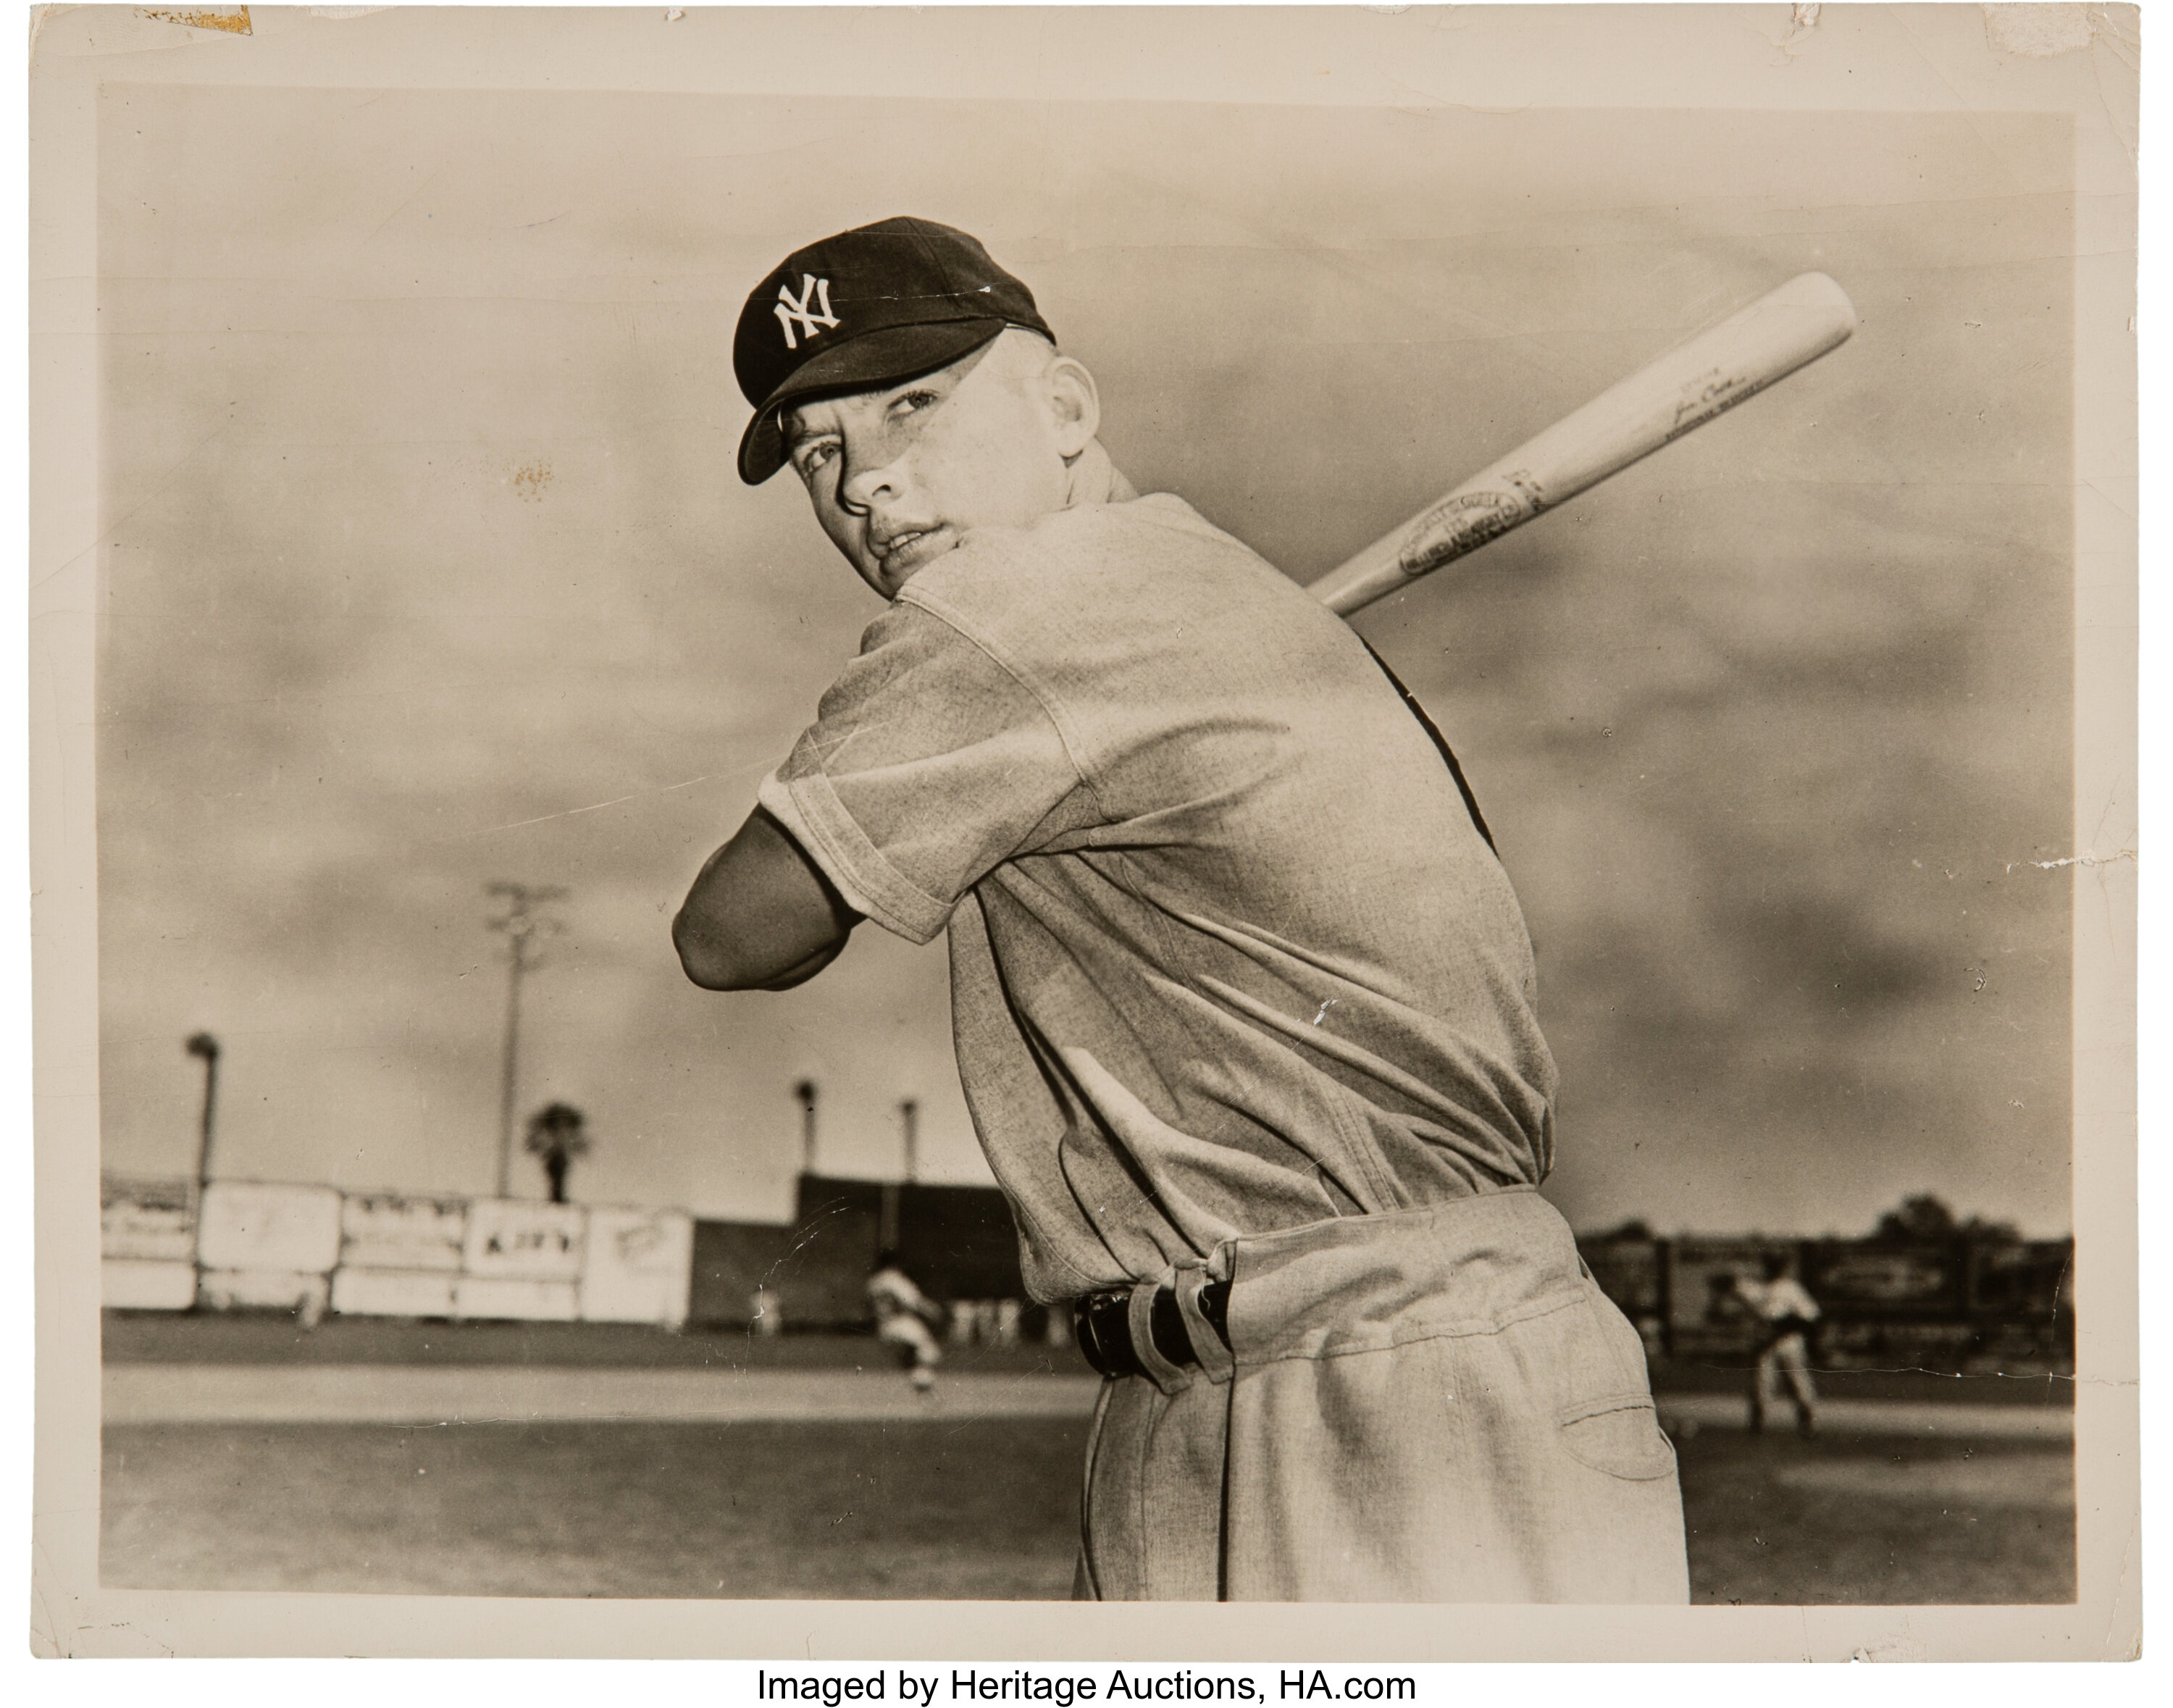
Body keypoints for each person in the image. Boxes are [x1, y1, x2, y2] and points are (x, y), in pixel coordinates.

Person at [674, 216, 1689, 1602]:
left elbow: (731, 934)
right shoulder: (1219, 597)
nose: (868, 482)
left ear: (1067, 407)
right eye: (820, 452)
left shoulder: (1018, 610)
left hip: (1367, 1380)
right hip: (1350, 1361)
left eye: (914, 401)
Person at [1736, 1252, 1821, 1436]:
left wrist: (1780, 1328)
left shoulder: (1791, 1288)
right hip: (1765, 1344)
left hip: (1788, 1341)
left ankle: (1807, 1423)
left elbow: (1810, 1316)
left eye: (1775, 1265)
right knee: (1761, 1384)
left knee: (1798, 1383)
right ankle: (1758, 1424)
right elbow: (1730, 1284)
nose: (1772, 1268)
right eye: (1770, 1264)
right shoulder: (1759, 1288)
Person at [866, 1250, 944, 1392]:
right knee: (930, 1352)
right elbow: (913, 1301)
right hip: (902, 1324)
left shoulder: (873, 1282)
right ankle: (923, 1384)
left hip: (884, 1327)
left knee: (910, 1358)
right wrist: (932, 1310)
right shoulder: (894, 1278)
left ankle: (920, 1384)